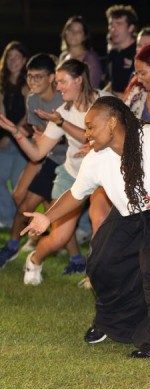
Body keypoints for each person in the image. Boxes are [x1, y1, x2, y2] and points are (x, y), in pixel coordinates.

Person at [21, 96, 150, 358]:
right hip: (131, 211)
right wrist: (48, 217)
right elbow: (76, 194)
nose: (86, 135)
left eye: (90, 127)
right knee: (102, 262)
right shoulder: (97, 158)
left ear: (113, 122)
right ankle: (111, 323)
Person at [1, 59, 112, 285]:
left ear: (79, 80)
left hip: (101, 174)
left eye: (62, 82)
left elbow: (100, 135)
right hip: (72, 174)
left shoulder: (104, 102)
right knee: (59, 237)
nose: (58, 87)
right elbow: (37, 153)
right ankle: (35, 258)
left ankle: (94, 274)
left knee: (99, 221)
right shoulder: (61, 112)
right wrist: (16, 132)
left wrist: (85, 136)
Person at [0, 53, 77, 270]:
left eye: (38, 77)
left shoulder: (64, 99)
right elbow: (37, 134)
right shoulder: (32, 99)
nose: (32, 82)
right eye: (30, 77)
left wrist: (48, 135)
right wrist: (37, 135)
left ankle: (75, 258)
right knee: (25, 201)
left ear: (53, 77)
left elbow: (72, 135)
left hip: (67, 159)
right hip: (46, 156)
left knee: (53, 207)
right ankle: (14, 245)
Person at [0, 42, 30, 233]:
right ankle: (6, 217)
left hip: (23, 138)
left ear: (24, 60)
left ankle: (24, 220)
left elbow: (30, 114)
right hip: (6, 137)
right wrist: (4, 134)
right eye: (9, 57)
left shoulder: (28, 83)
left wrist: (13, 132)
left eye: (17, 57)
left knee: (17, 182)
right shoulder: (2, 84)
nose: (13, 61)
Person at [59, 15, 103, 89]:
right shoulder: (63, 56)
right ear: (65, 32)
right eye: (71, 30)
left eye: (78, 31)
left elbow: (93, 87)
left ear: (85, 36)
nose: (74, 34)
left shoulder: (91, 58)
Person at [105, 4, 138, 98]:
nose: (113, 29)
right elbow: (111, 84)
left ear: (131, 28)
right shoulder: (113, 53)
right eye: (111, 24)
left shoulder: (139, 52)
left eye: (118, 24)